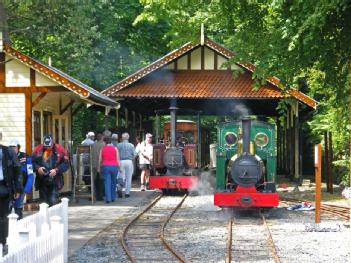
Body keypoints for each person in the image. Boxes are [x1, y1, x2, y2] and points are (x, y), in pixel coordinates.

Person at [32, 135, 69, 207]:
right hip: (42, 181)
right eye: (46, 147)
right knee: (43, 204)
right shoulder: (37, 149)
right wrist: (38, 168)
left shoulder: (60, 149)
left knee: (53, 202)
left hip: (55, 180)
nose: (48, 148)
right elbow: (31, 163)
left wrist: (56, 170)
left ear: (52, 143)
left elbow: (66, 164)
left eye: (49, 146)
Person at [0, 136, 22, 245]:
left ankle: (3, 242)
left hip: (4, 187)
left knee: (4, 216)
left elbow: (17, 169)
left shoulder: (8, 152)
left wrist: (18, 189)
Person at [8, 140, 34, 219]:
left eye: (14, 147)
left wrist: (26, 189)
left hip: (21, 188)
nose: (12, 149)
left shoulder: (26, 158)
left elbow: (30, 174)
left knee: (18, 208)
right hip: (9, 188)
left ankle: (18, 227)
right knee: (7, 209)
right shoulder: (6, 157)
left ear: (18, 148)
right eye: (11, 147)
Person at [98, 136, 120, 203]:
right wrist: (120, 167)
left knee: (107, 183)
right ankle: (113, 197)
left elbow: (100, 159)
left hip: (105, 166)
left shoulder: (102, 149)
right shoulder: (115, 148)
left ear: (104, 142)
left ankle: (108, 199)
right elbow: (118, 159)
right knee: (113, 182)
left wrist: (99, 168)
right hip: (114, 166)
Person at [117, 133, 136, 198]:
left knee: (121, 177)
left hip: (121, 161)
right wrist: (132, 159)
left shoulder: (118, 145)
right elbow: (135, 154)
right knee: (129, 178)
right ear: (128, 138)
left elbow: (116, 154)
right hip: (129, 161)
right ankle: (127, 193)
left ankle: (119, 187)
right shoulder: (131, 145)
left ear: (122, 138)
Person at [91, 133, 104, 201]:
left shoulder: (93, 144)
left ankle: (94, 195)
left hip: (94, 164)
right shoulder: (104, 144)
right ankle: (100, 196)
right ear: (102, 138)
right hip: (101, 165)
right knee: (101, 181)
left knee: (94, 181)